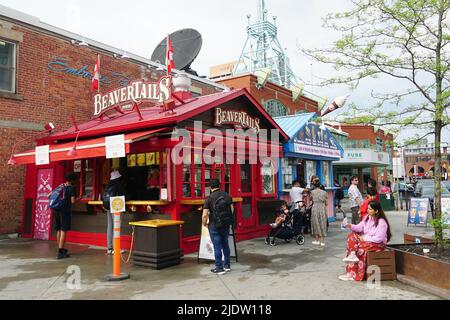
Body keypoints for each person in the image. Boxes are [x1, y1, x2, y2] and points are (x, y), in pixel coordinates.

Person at [339, 201, 392, 281]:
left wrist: (364, 238)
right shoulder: (367, 217)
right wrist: (349, 225)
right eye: (367, 208)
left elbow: (379, 238)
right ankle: (352, 259)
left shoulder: (382, 222)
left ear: (376, 211)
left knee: (360, 249)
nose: (367, 210)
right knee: (352, 236)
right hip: (368, 241)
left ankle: (354, 274)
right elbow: (359, 227)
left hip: (378, 244)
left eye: (370, 209)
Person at [202, 179, 234, 275]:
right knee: (225, 244)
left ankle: (219, 268)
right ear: (219, 185)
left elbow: (204, 215)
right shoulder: (227, 195)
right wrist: (226, 220)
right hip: (225, 224)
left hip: (214, 225)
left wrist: (204, 223)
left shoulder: (209, 198)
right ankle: (227, 265)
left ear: (211, 187)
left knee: (217, 247)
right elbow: (232, 210)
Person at [52, 172, 77, 259]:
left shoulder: (61, 185)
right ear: (73, 180)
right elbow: (73, 201)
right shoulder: (71, 188)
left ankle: (60, 249)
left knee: (58, 229)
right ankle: (60, 251)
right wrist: (78, 198)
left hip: (56, 209)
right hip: (64, 210)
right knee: (63, 230)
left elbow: (50, 195)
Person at [102, 170, 127, 255]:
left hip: (108, 207)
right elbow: (125, 196)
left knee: (110, 226)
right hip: (116, 206)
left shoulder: (108, 184)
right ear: (118, 177)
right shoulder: (118, 184)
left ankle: (109, 248)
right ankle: (116, 248)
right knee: (116, 227)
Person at [310, 179, 328, 246]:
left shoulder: (312, 192)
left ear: (314, 186)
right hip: (322, 207)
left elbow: (311, 200)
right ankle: (322, 241)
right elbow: (326, 203)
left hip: (315, 207)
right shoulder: (324, 192)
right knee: (322, 223)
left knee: (315, 223)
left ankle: (317, 240)